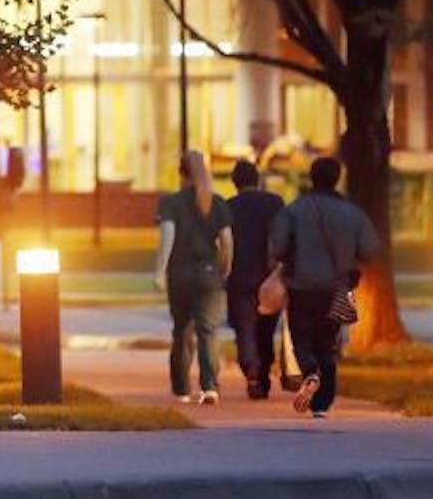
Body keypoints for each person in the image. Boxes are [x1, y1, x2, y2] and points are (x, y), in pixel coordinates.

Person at [267, 156, 379, 419]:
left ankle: (310, 371)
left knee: (301, 339)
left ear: (311, 177)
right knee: (327, 343)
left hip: (301, 286)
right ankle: (321, 405)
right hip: (336, 288)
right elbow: (370, 250)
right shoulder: (353, 214)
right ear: (337, 178)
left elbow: (278, 247)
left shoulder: (293, 210)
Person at [154, 150, 232, 405]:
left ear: (181, 173)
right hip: (209, 274)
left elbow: (168, 235)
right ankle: (210, 386)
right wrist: (224, 268)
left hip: (180, 273)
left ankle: (182, 389)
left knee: (182, 330)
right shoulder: (216, 202)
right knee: (208, 330)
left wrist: (159, 271)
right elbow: (227, 241)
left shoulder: (171, 203)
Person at [224, 159, 284, 399]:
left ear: (234, 183)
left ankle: (250, 367)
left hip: (238, 276)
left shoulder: (229, 207)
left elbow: (222, 243)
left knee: (244, 328)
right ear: (257, 179)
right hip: (269, 276)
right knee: (266, 330)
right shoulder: (275, 203)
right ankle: (264, 370)